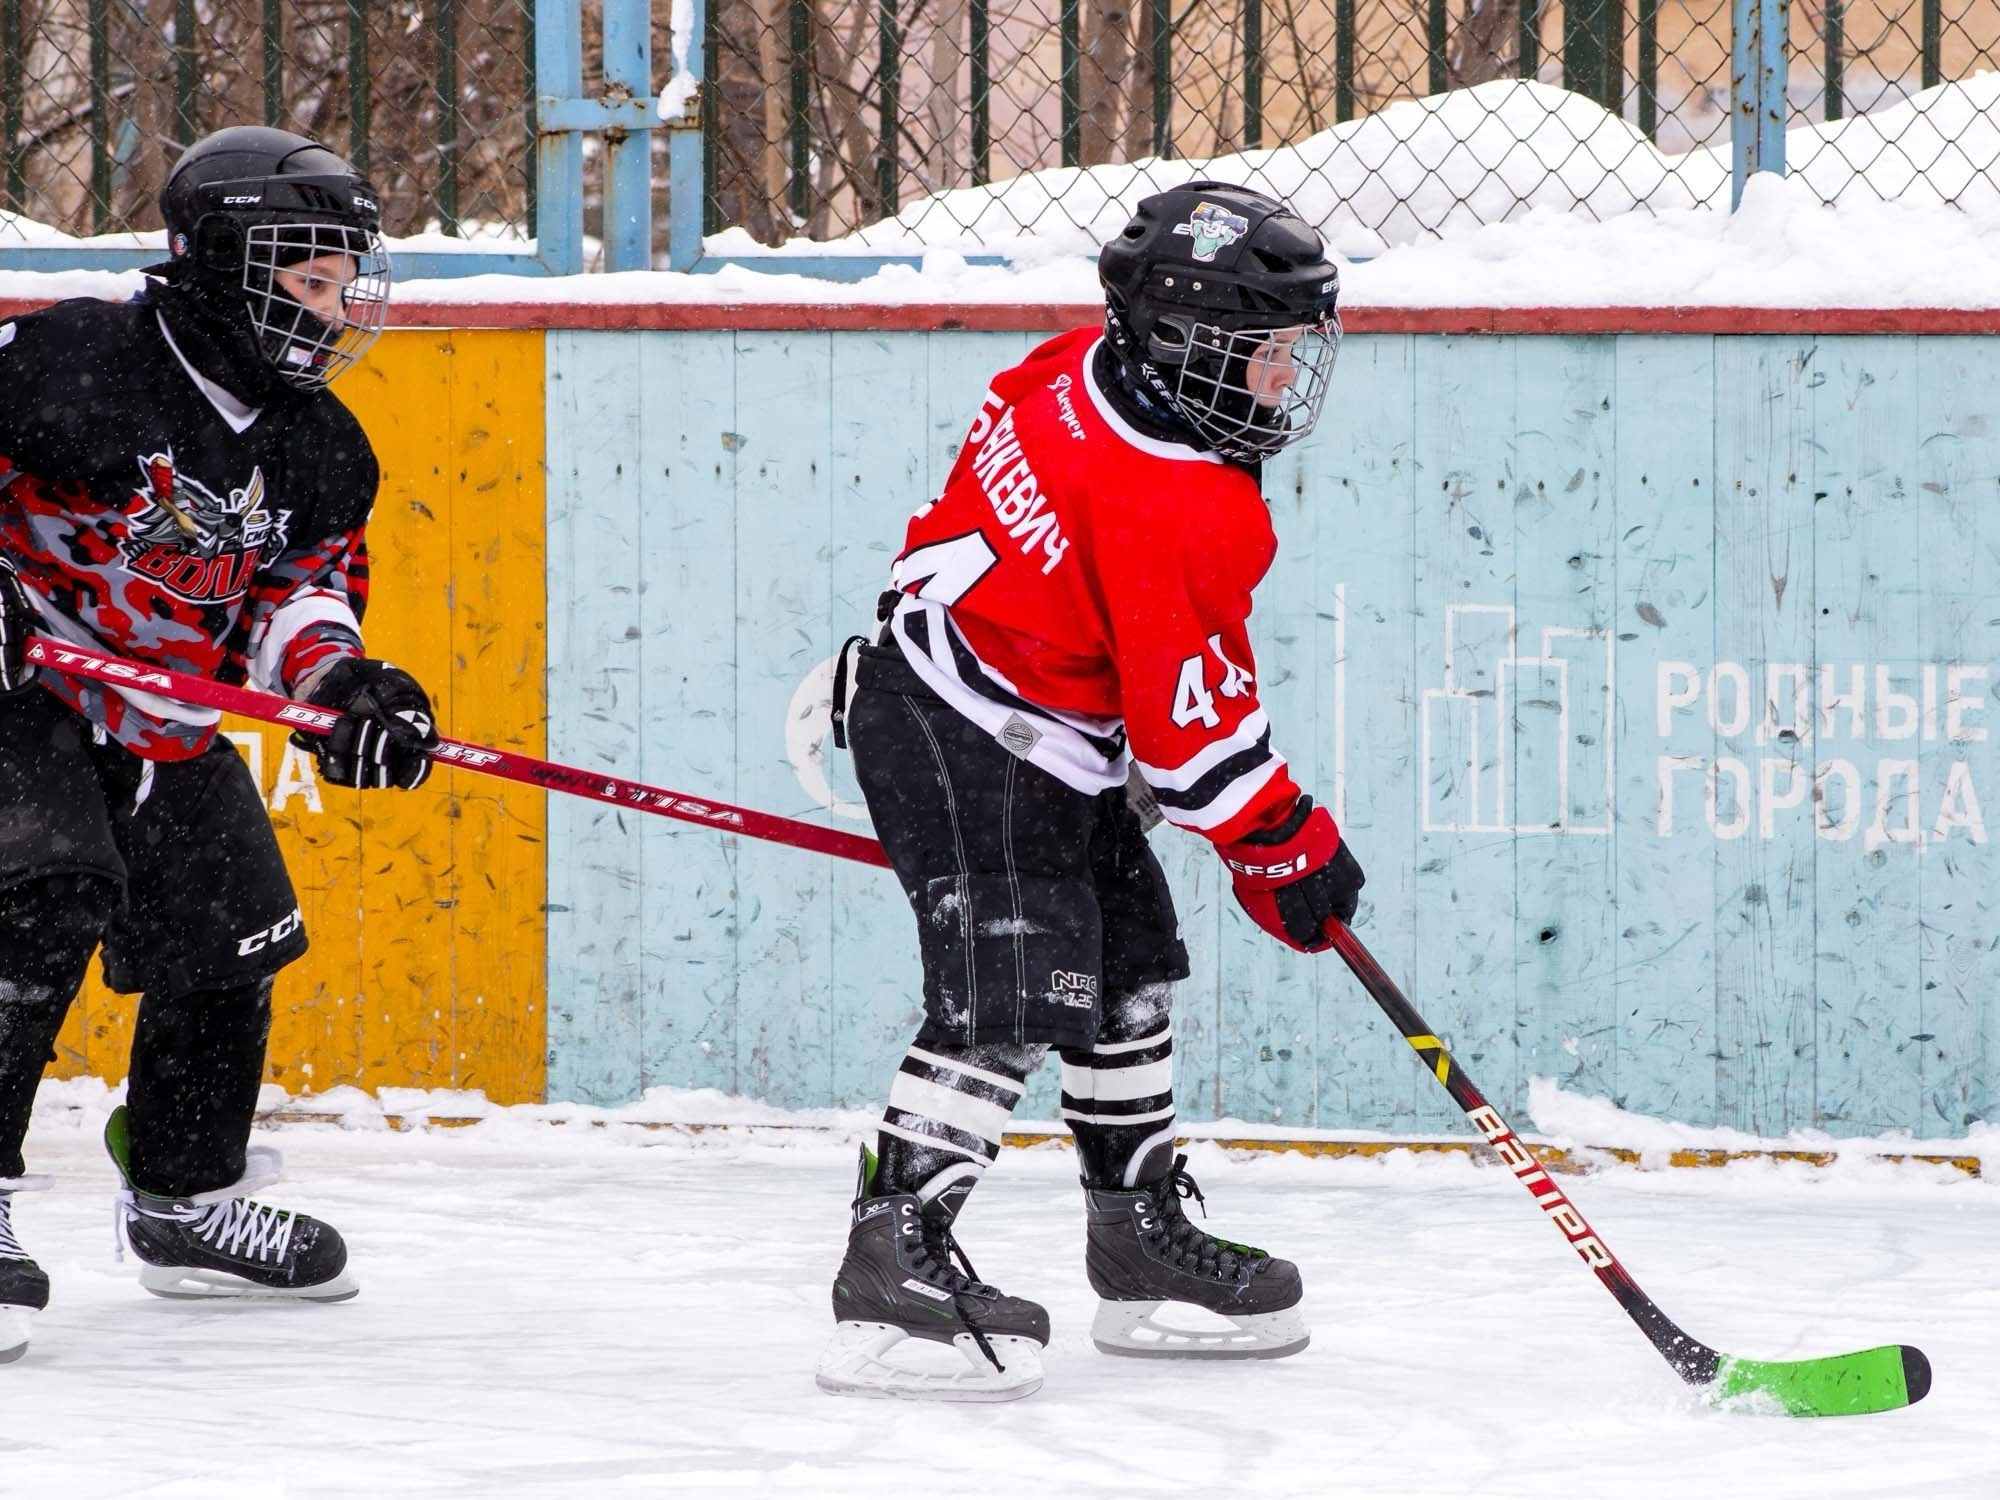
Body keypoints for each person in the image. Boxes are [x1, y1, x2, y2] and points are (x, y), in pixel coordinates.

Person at [817, 181, 1365, 1400]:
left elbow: (983, 512)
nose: (1285, 376)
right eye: (1263, 350)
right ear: (1179, 340)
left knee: (1125, 965)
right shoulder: (1185, 504)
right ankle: (890, 1255)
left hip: (985, 702)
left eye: (1293, 347)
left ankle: (1134, 1236)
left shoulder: (1074, 366)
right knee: (1011, 991)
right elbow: (1193, 740)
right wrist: (1287, 849)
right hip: (968, 731)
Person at [0, 126, 439, 1361]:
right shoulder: (80, 357)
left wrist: (346, 684)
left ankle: (184, 1200)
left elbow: (299, 595)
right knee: (42, 897)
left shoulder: (320, 442)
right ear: (221, 261)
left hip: (163, 713)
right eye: (310, 276)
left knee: (232, 936)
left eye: (345, 280)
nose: (336, 306)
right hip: (23, 684)